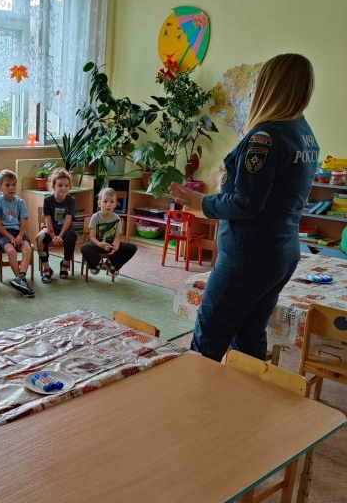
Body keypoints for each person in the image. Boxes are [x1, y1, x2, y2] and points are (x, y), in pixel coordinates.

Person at [169, 53, 319, 362]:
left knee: (207, 341)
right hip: (282, 252)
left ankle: (193, 409)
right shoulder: (305, 134)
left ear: (268, 86)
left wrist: (201, 201)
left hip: (247, 257)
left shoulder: (265, 135)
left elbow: (246, 203)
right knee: (249, 336)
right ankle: (246, 407)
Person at [0, 169, 35, 297]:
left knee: (28, 249)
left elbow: (24, 223)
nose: (11, 188)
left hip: (17, 232)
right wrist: (11, 237)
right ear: (0, 187)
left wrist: (20, 236)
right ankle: (20, 280)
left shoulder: (20, 202)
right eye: (7, 185)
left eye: (14, 184)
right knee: (10, 251)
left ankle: (21, 278)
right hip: (2, 233)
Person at [81, 188, 137, 281]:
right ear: (99, 203)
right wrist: (100, 244)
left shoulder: (117, 218)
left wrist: (116, 246)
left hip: (110, 244)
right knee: (84, 248)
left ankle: (112, 264)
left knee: (132, 248)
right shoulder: (95, 217)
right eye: (105, 201)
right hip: (97, 243)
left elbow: (117, 237)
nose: (108, 204)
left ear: (115, 204)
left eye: (112, 202)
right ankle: (97, 263)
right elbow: (92, 236)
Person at [36, 167, 77, 283]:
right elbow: (48, 221)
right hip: (50, 229)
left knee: (71, 236)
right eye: (60, 185)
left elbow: (68, 220)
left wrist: (60, 235)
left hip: (65, 229)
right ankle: (47, 268)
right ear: (53, 186)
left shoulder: (71, 200)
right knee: (40, 237)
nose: (63, 188)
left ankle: (65, 263)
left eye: (66, 185)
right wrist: (53, 236)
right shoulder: (47, 200)